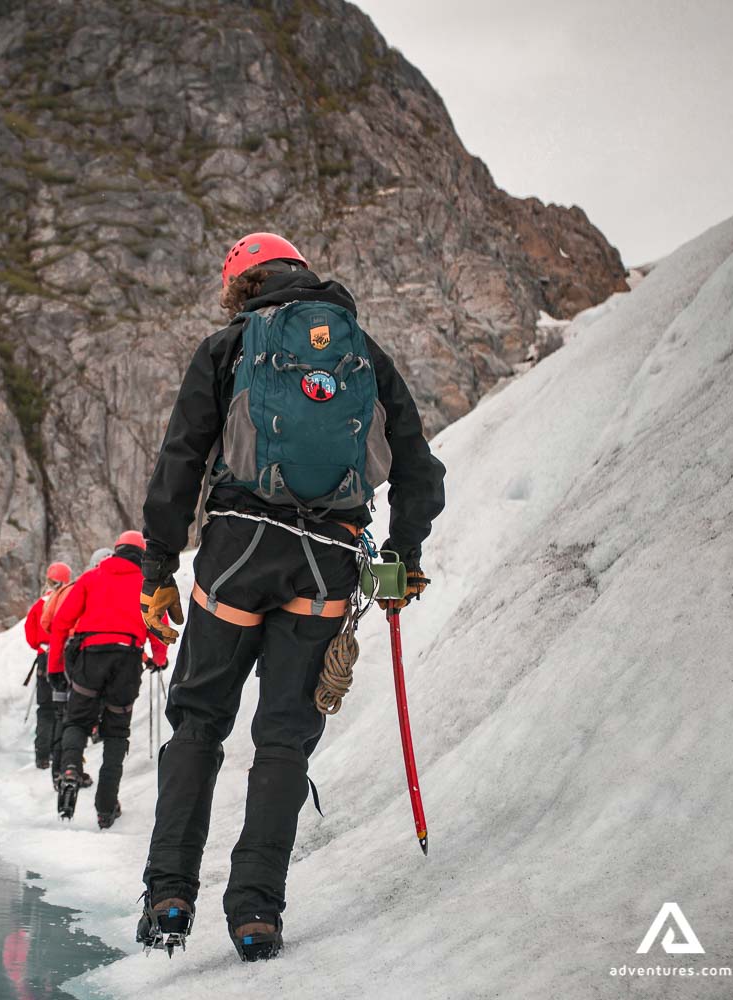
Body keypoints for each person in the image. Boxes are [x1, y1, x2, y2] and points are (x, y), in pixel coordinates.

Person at [135, 232, 446, 960]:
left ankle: (169, 897)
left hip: (238, 550)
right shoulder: (361, 353)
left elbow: (180, 459)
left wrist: (156, 569)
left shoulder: (227, 347)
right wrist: (403, 558)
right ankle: (255, 915)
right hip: (329, 561)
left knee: (199, 724)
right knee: (283, 741)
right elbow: (419, 471)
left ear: (242, 286)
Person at [48, 530, 168, 828]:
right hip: (128, 660)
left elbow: (62, 622)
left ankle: (71, 770)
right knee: (116, 734)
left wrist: (54, 667)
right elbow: (159, 628)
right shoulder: (148, 584)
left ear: (115, 551)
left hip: (91, 656)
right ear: (142, 554)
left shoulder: (91, 578)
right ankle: (105, 808)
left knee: (77, 721)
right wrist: (159, 659)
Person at [41, 548, 112, 787]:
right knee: (85, 714)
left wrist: (55, 662)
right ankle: (79, 761)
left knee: (65, 715)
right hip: (100, 659)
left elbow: (50, 623)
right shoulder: (117, 588)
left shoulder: (74, 588)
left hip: (67, 657)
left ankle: (61, 771)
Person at [24, 562, 73, 769]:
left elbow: (30, 633)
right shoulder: (69, 599)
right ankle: (57, 752)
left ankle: (42, 756)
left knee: (44, 708)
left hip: (44, 656)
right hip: (63, 657)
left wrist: (39, 646)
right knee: (61, 707)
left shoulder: (40, 604)